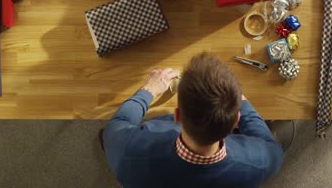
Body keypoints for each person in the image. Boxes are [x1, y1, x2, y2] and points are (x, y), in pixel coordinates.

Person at [101, 52, 284, 188]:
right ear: (237, 119)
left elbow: (118, 124)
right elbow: (271, 146)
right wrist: (239, 101)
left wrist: (147, 91)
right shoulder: (260, 161)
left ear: (178, 114)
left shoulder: (129, 152)